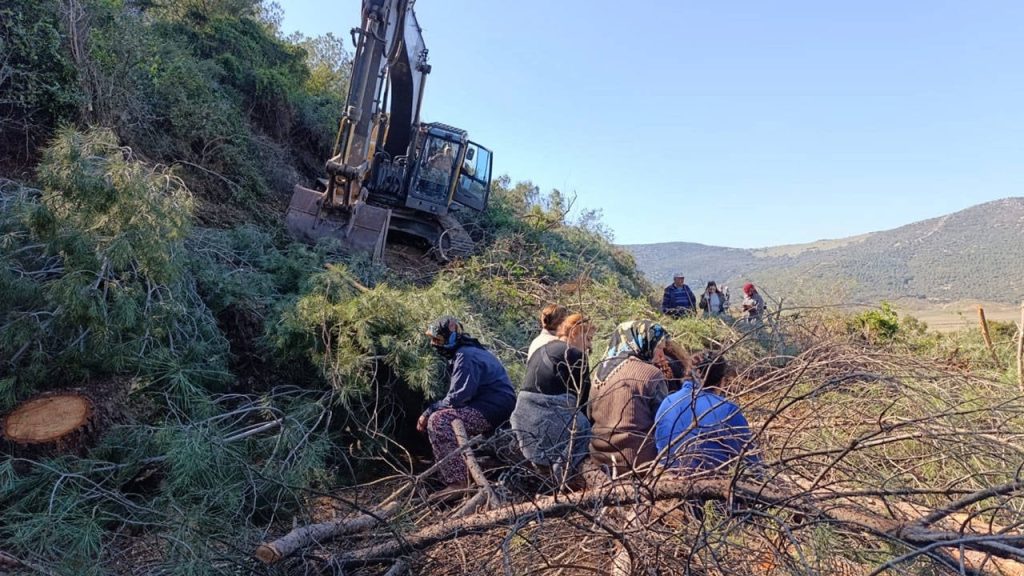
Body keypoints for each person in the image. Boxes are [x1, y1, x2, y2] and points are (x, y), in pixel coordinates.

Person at [417, 316, 516, 493]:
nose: (434, 344)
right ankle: (459, 470)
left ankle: (458, 482)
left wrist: (430, 410)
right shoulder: (466, 352)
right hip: (494, 405)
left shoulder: (466, 356)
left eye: (438, 340)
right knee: (441, 415)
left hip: (493, 408)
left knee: (439, 420)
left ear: (451, 337)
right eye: (433, 339)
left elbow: (458, 397)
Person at [510, 314, 596, 481]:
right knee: (583, 427)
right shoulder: (576, 355)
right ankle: (563, 475)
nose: (589, 346)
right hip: (545, 415)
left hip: (521, 417)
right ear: (575, 333)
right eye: (589, 339)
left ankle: (542, 468)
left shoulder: (542, 347)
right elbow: (583, 403)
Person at [588, 320, 671, 477]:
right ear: (642, 341)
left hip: (600, 459)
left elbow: (589, 415)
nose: (661, 355)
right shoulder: (651, 374)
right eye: (658, 347)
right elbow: (664, 422)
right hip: (637, 461)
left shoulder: (599, 373)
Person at [654, 351, 760, 472]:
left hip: (664, 480)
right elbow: (751, 462)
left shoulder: (667, 402)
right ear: (721, 381)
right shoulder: (726, 409)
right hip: (709, 485)